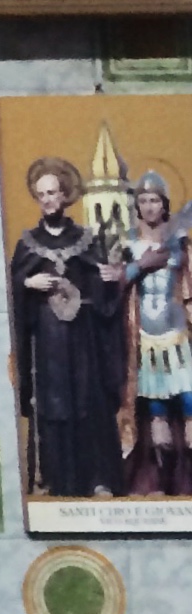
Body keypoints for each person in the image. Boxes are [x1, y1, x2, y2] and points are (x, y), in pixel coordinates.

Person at [15, 157, 131, 497]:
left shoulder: (86, 239)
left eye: (52, 193)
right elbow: (14, 285)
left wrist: (109, 280)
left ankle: (97, 479)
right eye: (41, 195)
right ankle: (59, 480)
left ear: (65, 194)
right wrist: (27, 282)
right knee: (54, 406)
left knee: (88, 402)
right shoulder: (28, 243)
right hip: (48, 340)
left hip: (82, 339)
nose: (48, 200)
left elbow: (104, 287)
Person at [128, 171, 192, 496]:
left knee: (189, 404)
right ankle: (159, 483)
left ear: (164, 204)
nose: (149, 206)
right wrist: (139, 266)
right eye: (143, 200)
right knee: (156, 417)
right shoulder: (128, 242)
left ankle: (186, 483)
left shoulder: (179, 241)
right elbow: (118, 281)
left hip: (177, 334)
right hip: (145, 338)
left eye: (154, 200)